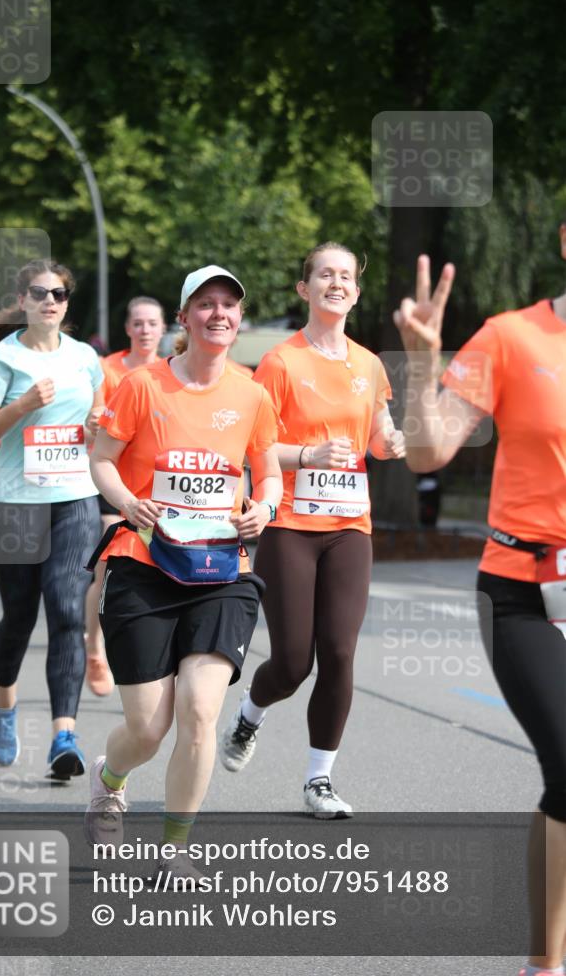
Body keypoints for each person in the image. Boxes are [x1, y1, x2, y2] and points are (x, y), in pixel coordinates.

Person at [394, 234, 566, 976]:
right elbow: (426, 452)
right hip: (525, 587)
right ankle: (546, 964)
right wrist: (424, 361)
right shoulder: (509, 336)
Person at [85, 265, 282, 879]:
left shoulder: (253, 394)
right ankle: (111, 778)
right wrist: (126, 502)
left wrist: (265, 509)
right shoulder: (142, 386)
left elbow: (269, 470)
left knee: (200, 711)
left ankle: (175, 848)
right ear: (184, 317)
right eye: (206, 305)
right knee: (148, 729)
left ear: (238, 320)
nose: (219, 314)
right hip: (145, 566)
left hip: (222, 568)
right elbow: (102, 459)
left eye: (229, 305)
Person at [219, 242, 405, 817]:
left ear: (355, 290)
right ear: (305, 289)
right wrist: (309, 454)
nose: (336, 283)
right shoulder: (279, 362)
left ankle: (318, 780)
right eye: (325, 274)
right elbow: (260, 449)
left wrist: (390, 442)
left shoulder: (368, 364)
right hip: (292, 525)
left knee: (340, 653)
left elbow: (378, 434)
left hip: (350, 525)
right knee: (294, 661)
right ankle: (251, 711)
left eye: (346, 276)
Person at [0, 259, 104, 780]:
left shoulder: (87, 358)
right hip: (12, 504)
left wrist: (97, 426)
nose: (51, 300)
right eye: (40, 292)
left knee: (67, 607)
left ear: (68, 302)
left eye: (61, 292)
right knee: (20, 617)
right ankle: (4, 702)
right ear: (22, 300)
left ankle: (62, 736)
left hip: (74, 498)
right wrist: (22, 404)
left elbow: (100, 422)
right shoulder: (3, 358)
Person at [83, 296, 166, 697]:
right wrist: (93, 422)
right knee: (107, 569)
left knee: (158, 568)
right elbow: (94, 422)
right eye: (138, 323)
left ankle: (144, 645)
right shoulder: (109, 369)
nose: (145, 329)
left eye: (152, 323)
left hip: (159, 489)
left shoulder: (174, 373)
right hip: (116, 480)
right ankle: (95, 648)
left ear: (164, 329)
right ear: (128, 329)